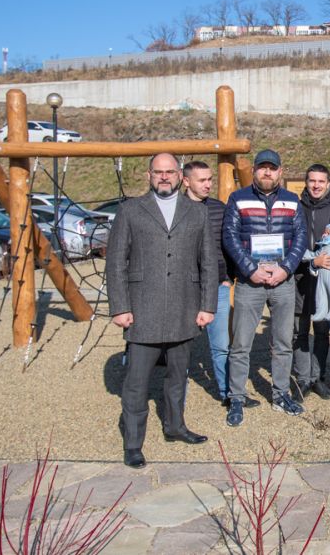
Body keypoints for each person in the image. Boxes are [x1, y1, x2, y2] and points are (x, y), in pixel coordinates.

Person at [107, 153, 218, 468]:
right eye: (159, 172)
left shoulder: (196, 212)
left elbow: (208, 262)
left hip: (185, 307)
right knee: (136, 383)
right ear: (149, 175)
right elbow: (116, 262)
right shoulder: (130, 210)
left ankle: (175, 426)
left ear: (180, 175)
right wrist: (120, 307)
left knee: (177, 377)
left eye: (170, 172)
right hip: (143, 309)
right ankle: (133, 443)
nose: (164, 177)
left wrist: (207, 305)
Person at [223, 149, 309, 427]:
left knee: (283, 342)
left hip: (282, 281)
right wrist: (251, 269)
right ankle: (236, 397)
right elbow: (230, 237)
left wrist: (286, 268)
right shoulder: (238, 198)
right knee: (241, 343)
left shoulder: (292, 201)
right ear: (254, 171)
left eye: (272, 168)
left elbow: (301, 237)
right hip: (250, 282)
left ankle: (281, 394)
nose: (267, 172)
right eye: (263, 168)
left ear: (280, 171)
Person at [180, 160, 238, 406]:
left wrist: (228, 277)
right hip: (184, 288)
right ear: (186, 181)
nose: (208, 184)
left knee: (222, 344)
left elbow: (229, 244)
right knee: (180, 346)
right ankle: (176, 397)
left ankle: (228, 393)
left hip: (217, 287)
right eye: (202, 180)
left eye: (210, 179)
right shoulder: (175, 209)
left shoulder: (218, 209)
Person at [293, 164, 330, 402]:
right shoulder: (295, 208)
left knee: (321, 332)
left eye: (321, 181)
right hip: (299, 278)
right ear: (306, 182)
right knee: (299, 331)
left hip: (324, 279)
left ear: (328, 183)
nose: (316, 185)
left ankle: (317, 377)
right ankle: (303, 378)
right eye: (312, 181)